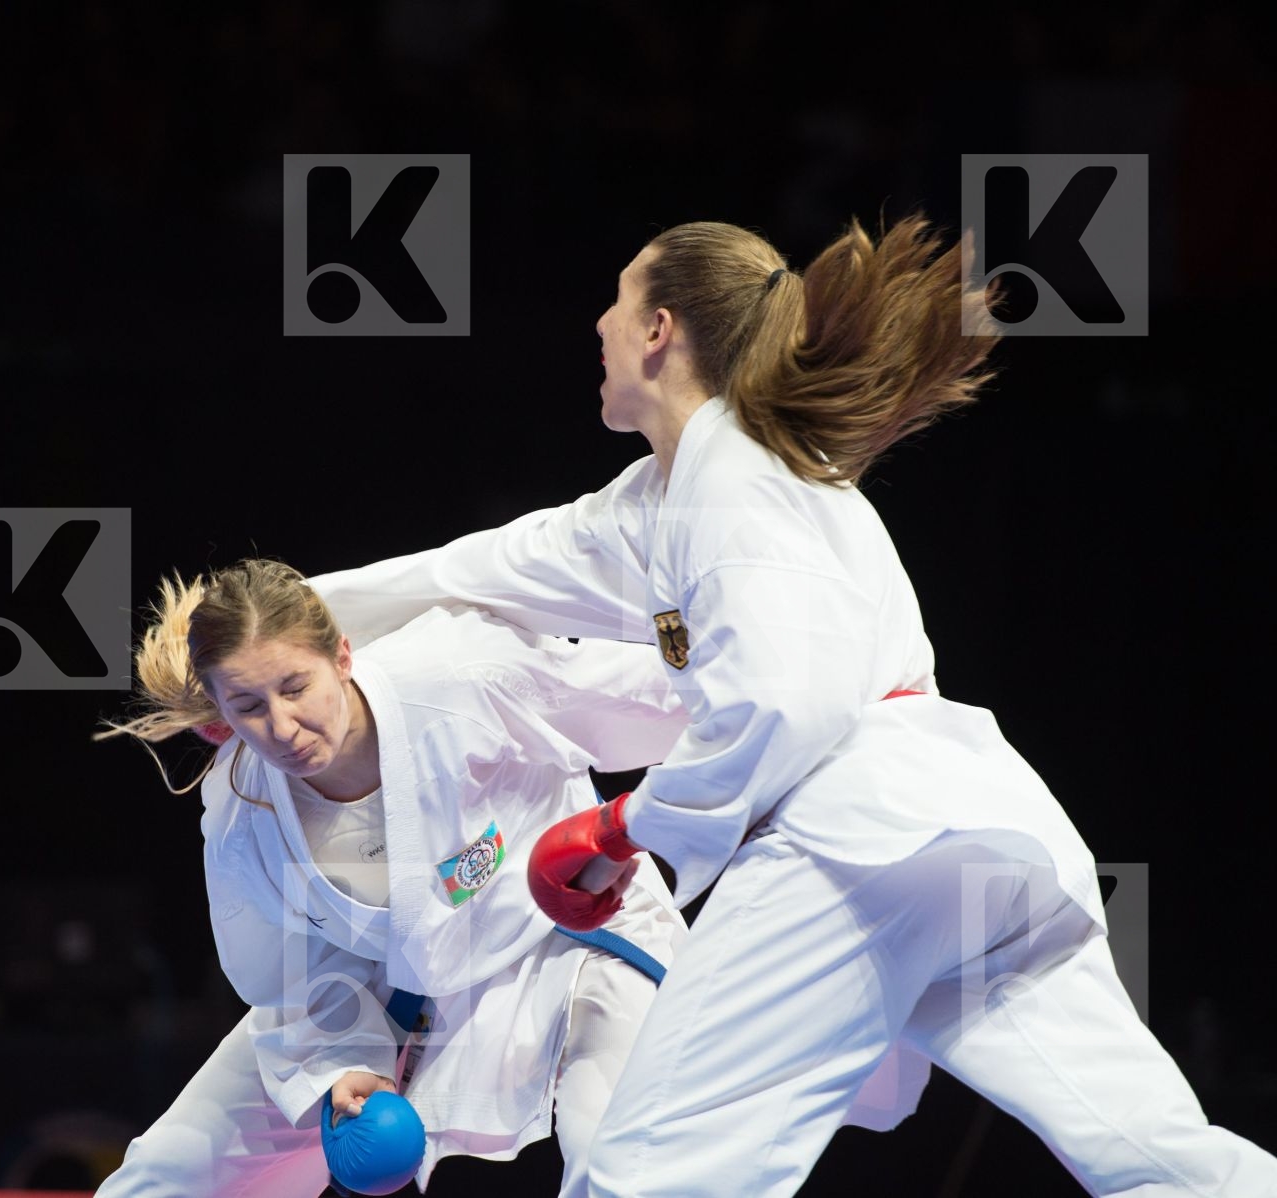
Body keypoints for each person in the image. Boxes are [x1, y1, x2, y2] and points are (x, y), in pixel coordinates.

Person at [310, 214, 1277, 1197]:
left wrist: (623, 825)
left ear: (659, 329)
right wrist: (277, 635)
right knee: (1157, 1158)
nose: (597, 323)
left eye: (617, 298)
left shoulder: (735, 475)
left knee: (645, 1179)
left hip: (858, 846)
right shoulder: (669, 498)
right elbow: (474, 572)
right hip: (980, 843)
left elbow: (784, 705)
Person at [93, 560, 703, 1197]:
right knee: (166, 1177)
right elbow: (294, 974)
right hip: (396, 982)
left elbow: (669, 703)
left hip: (567, 929)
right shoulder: (242, 812)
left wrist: (752, 692)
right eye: (248, 707)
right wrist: (345, 1062)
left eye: (296, 687)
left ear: (342, 657)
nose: (282, 727)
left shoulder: (459, 674)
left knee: (627, 1162)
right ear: (219, 712)